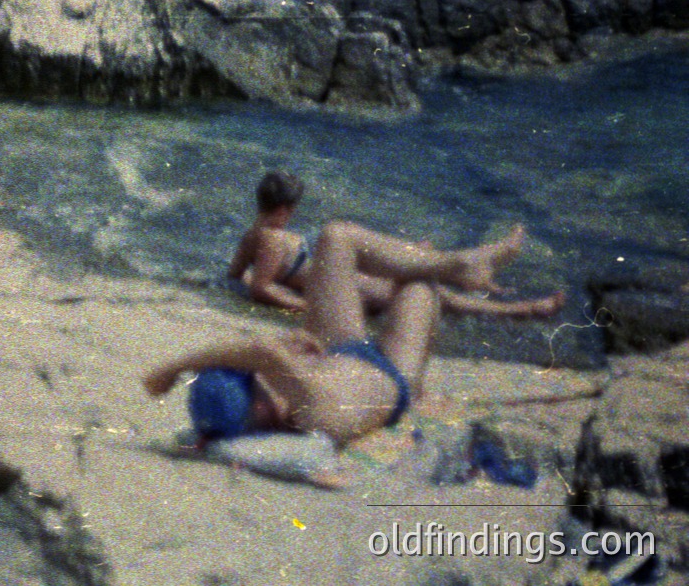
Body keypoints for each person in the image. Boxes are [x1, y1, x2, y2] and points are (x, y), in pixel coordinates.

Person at [145, 219, 533, 446]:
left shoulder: (278, 401)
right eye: (252, 385)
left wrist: (292, 347)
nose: (259, 382)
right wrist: (172, 368)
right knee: (418, 287)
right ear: (257, 410)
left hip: (340, 352)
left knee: (336, 237)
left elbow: (264, 358)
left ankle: (453, 263)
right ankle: (450, 266)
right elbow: (260, 351)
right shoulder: (312, 415)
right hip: (394, 375)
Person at [229, 171, 564, 320]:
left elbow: (235, 276)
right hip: (347, 289)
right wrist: (305, 307)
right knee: (435, 294)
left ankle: (485, 277)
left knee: (418, 270)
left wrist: (290, 288)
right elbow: (261, 288)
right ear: (285, 209)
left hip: (342, 281)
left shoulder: (253, 235)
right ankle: (519, 307)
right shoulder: (273, 239)